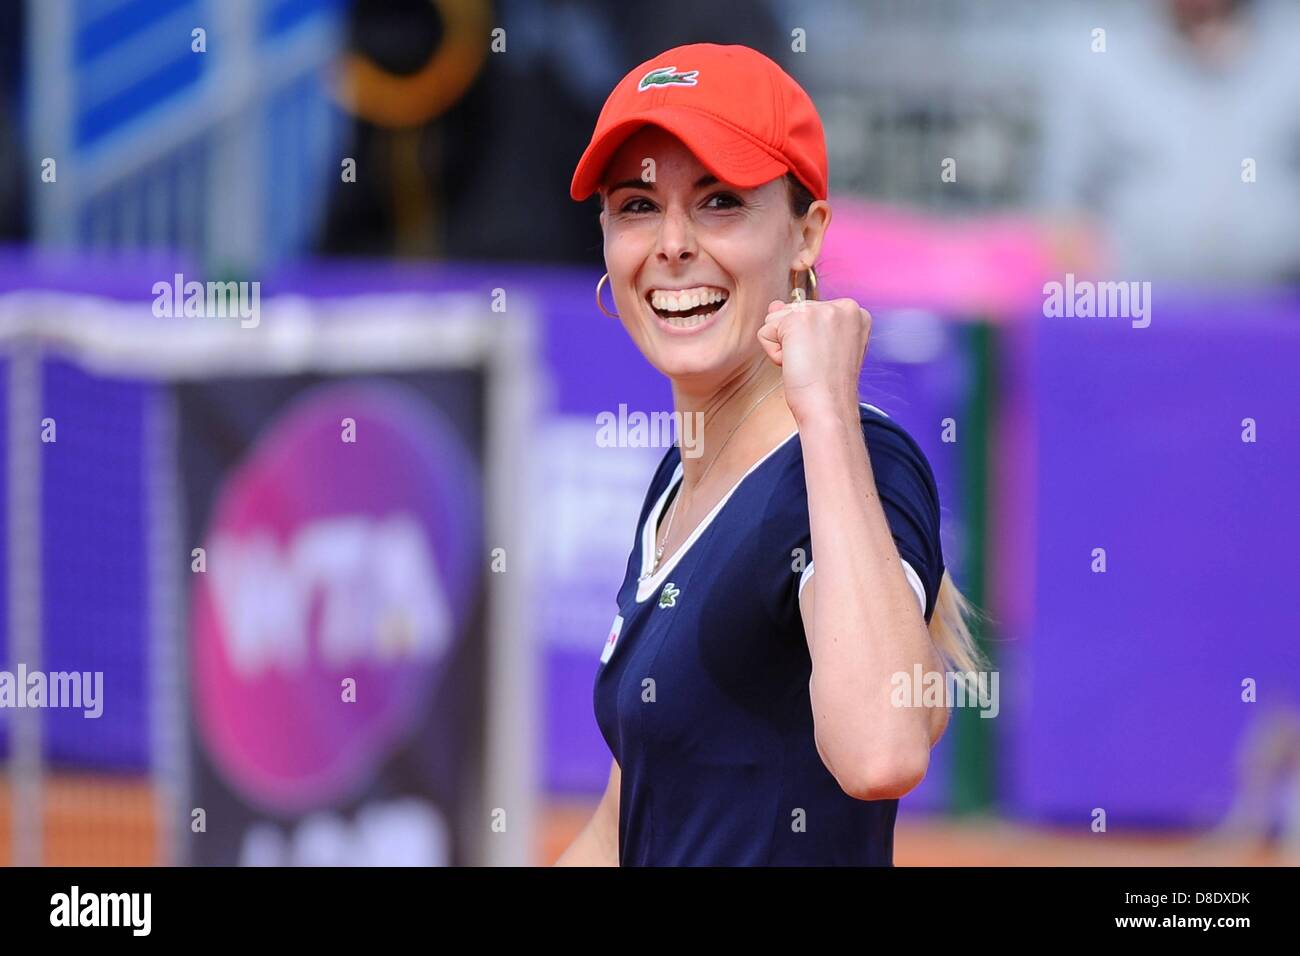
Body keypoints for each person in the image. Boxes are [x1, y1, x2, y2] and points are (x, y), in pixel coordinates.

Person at [553, 43, 984, 867]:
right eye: (637, 205)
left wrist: (823, 409)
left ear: (805, 235)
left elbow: (882, 751)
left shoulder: (858, 461)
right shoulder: (680, 479)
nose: (672, 244)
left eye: (719, 202)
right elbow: (625, 822)